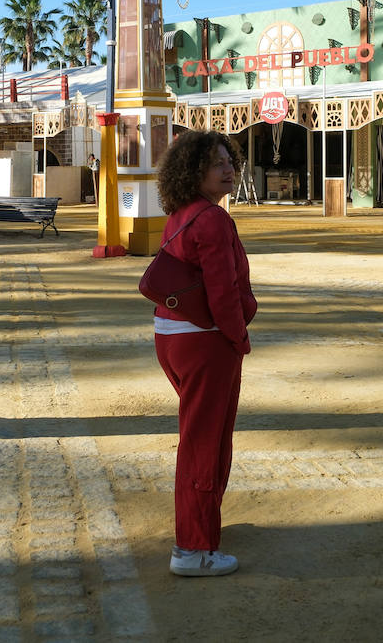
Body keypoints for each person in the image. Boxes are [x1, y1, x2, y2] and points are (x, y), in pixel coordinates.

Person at [152, 129, 257, 578]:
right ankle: (192, 549)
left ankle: (202, 529)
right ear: (195, 171)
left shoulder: (181, 214)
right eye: (218, 163)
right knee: (205, 442)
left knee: (202, 436)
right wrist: (238, 338)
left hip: (173, 336)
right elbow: (223, 291)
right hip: (205, 340)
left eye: (230, 161)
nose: (229, 169)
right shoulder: (212, 220)